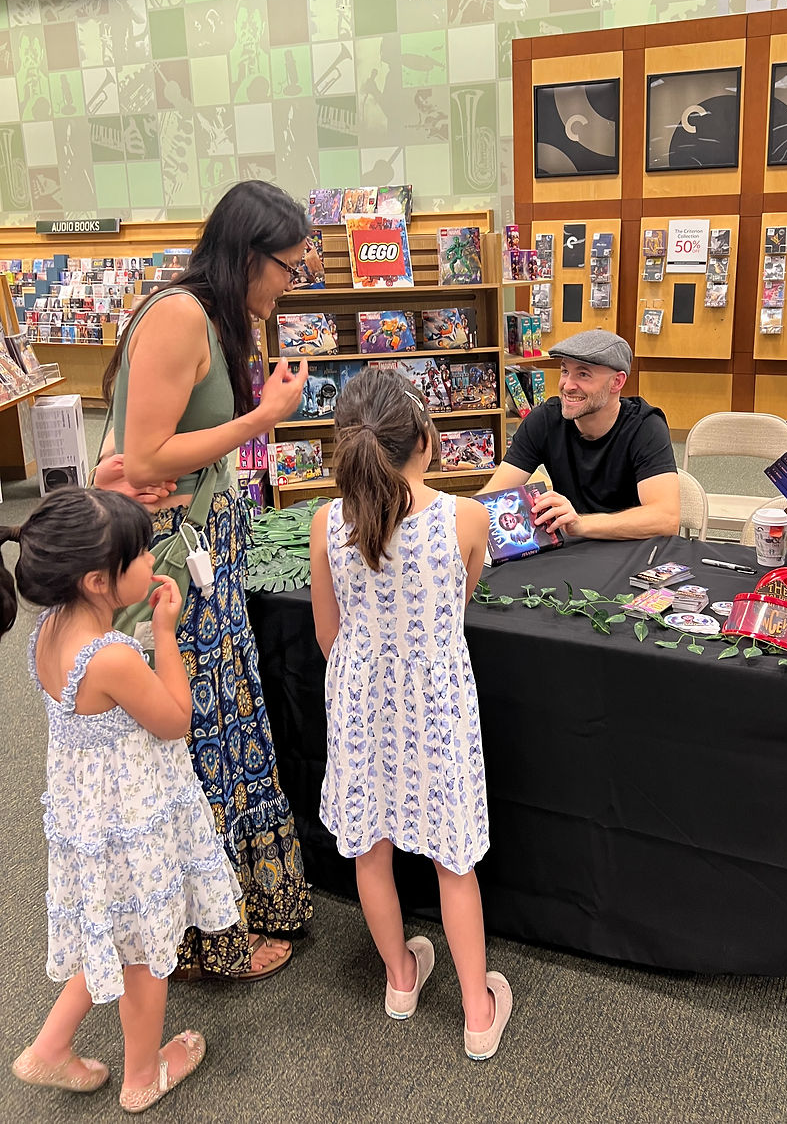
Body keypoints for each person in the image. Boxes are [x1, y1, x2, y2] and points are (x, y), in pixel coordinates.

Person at [96, 180, 314, 980]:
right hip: (170, 562)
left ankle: (223, 915)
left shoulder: (213, 317)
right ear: (249, 255)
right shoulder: (181, 315)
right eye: (286, 268)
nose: (290, 285)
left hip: (203, 546)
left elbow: (134, 448)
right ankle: (196, 934)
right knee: (192, 733)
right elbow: (145, 457)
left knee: (220, 723)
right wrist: (264, 419)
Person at [0, 488, 242, 1111]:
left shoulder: (52, 629)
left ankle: (50, 1047)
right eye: (138, 555)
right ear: (98, 580)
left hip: (89, 819)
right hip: (130, 821)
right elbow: (176, 719)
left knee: (107, 930)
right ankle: (142, 1075)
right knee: (145, 952)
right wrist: (164, 632)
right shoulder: (111, 657)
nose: (151, 560)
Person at [309, 369, 513, 1061]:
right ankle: (477, 1011)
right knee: (453, 860)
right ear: (425, 441)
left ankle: (400, 978)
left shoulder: (325, 521)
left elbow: (326, 634)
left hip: (359, 698)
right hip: (435, 701)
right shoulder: (466, 518)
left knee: (372, 849)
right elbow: (455, 605)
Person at [483, 328, 680, 540]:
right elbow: (489, 499)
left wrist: (580, 523)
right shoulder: (544, 421)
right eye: (565, 371)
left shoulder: (645, 426)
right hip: (570, 551)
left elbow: (666, 519)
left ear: (617, 382)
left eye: (583, 374)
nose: (567, 386)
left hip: (631, 550)